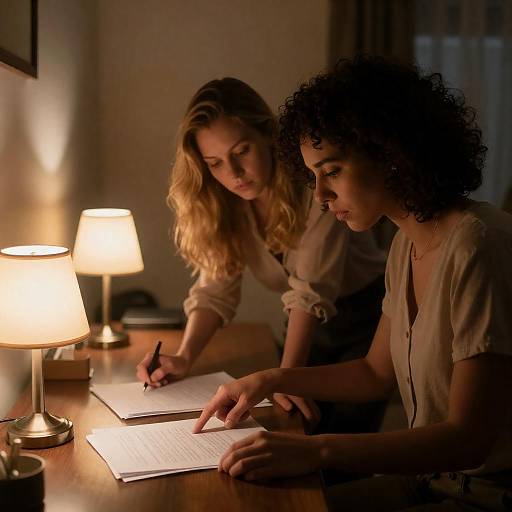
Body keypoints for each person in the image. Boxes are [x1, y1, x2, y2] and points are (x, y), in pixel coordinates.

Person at [193, 56, 512, 511]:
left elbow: (468, 441)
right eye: (313, 176)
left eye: (332, 171)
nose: (320, 196)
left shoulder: (478, 247)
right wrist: (269, 378)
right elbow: (374, 373)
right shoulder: (406, 245)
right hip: (431, 482)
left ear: (390, 152)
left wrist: (313, 450)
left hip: (486, 495)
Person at [136, 77, 386, 433]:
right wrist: (183, 356)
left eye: (241, 152)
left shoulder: (313, 189)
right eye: (215, 163)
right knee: (293, 426)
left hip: (365, 318)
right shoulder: (227, 205)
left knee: (341, 443)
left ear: (267, 135)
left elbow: (310, 291)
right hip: (304, 323)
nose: (233, 174)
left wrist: (284, 377)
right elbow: (214, 291)